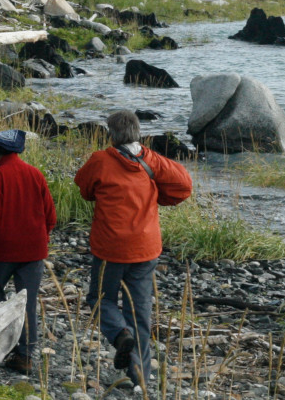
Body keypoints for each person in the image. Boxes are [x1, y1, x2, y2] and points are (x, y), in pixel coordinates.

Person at [74, 110, 193, 389]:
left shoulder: (100, 161)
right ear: (138, 132)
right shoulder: (151, 160)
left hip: (110, 248)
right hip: (145, 248)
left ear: (111, 134)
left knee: (100, 299)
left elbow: (84, 188)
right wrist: (158, 196)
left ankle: (120, 336)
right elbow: (185, 185)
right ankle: (140, 377)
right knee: (139, 311)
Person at [0, 129, 57, 374]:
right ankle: (25, 355)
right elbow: (50, 217)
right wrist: (41, 237)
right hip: (34, 251)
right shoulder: (36, 175)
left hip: (3, 251)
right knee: (27, 301)